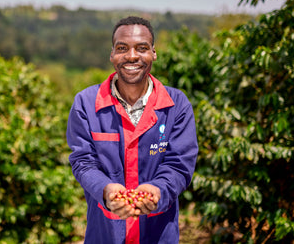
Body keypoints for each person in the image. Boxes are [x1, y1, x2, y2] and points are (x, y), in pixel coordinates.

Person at [66, 16, 198, 244]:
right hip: (104, 235)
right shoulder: (86, 103)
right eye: (122, 48)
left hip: (159, 236)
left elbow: (180, 165)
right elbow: (83, 162)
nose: (132, 56)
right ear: (112, 54)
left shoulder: (177, 105)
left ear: (153, 53)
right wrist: (106, 190)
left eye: (142, 48)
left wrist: (158, 190)